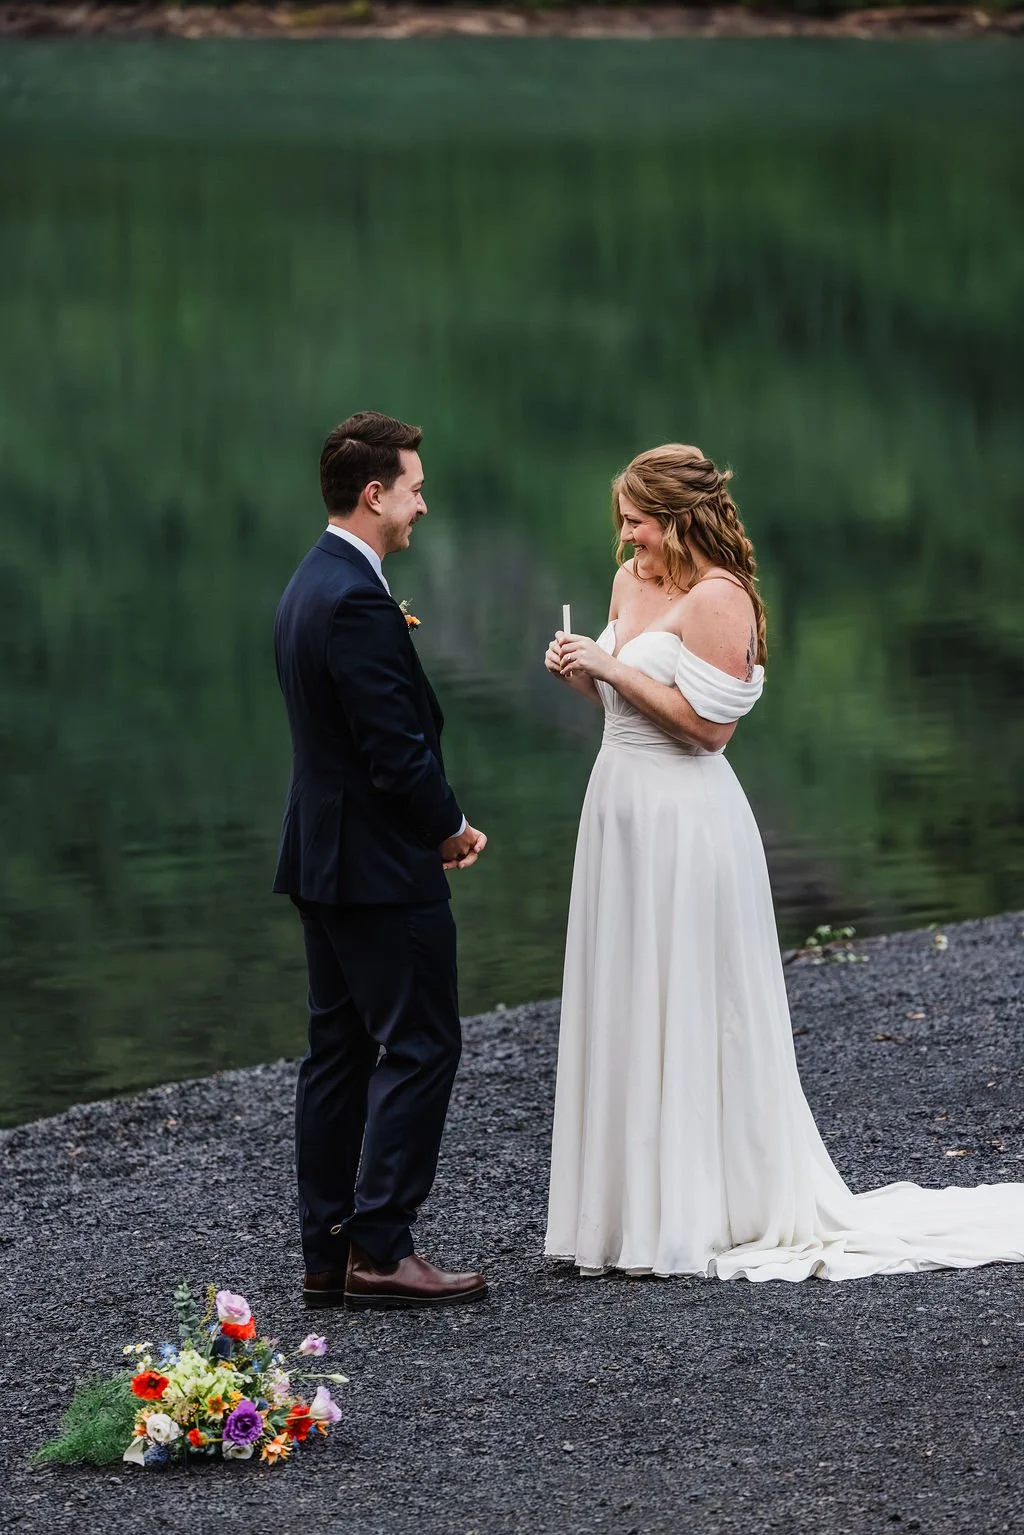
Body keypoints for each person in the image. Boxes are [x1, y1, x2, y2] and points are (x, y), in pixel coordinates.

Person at [544, 442, 1024, 1282]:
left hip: (685, 818)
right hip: (617, 805)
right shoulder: (628, 583)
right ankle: (626, 1215)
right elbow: (622, 695)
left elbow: (708, 727)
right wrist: (582, 669)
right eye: (623, 523)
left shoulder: (721, 598)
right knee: (628, 989)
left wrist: (612, 662)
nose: (626, 539)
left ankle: (700, 1209)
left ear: (678, 516)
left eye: (637, 522)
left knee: (689, 996)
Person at [274, 411, 489, 1309]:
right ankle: (382, 1247)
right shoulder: (356, 597)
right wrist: (447, 825)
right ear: (375, 494)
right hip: (374, 864)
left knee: (339, 1050)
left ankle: (329, 1251)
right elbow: (392, 748)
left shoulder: (309, 580)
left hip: (324, 858)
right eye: (413, 488)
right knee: (423, 1040)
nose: (421, 505)